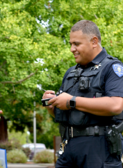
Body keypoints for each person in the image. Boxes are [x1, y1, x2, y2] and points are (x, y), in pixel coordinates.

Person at [42, 20, 123, 168]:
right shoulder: (71, 73)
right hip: (69, 148)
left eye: (77, 44)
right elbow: (67, 114)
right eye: (70, 44)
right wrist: (52, 105)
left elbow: (116, 105)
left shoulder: (112, 67)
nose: (72, 49)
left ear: (94, 41)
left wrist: (71, 101)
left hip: (99, 150)